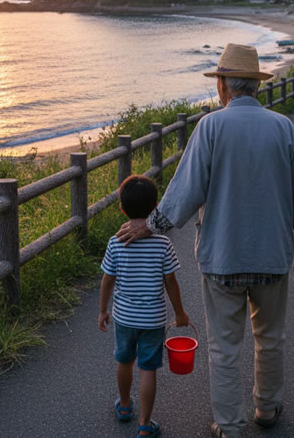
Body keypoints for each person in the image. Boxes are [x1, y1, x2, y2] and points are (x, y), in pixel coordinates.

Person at [116, 44, 294, 438]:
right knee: (270, 339)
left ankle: (229, 426)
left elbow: (185, 190)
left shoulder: (210, 127)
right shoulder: (282, 127)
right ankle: (265, 408)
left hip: (222, 258)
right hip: (271, 256)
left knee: (224, 348)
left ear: (224, 85)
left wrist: (149, 225)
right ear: (255, 85)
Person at [99, 175, 189, 438]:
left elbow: (107, 280)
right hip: (153, 319)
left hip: (124, 317)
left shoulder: (116, 242)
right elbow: (171, 282)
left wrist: (103, 310)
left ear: (121, 207)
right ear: (155, 207)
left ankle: (125, 406)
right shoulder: (163, 243)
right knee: (148, 369)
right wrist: (180, 313)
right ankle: (144, 425)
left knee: (124, 360)